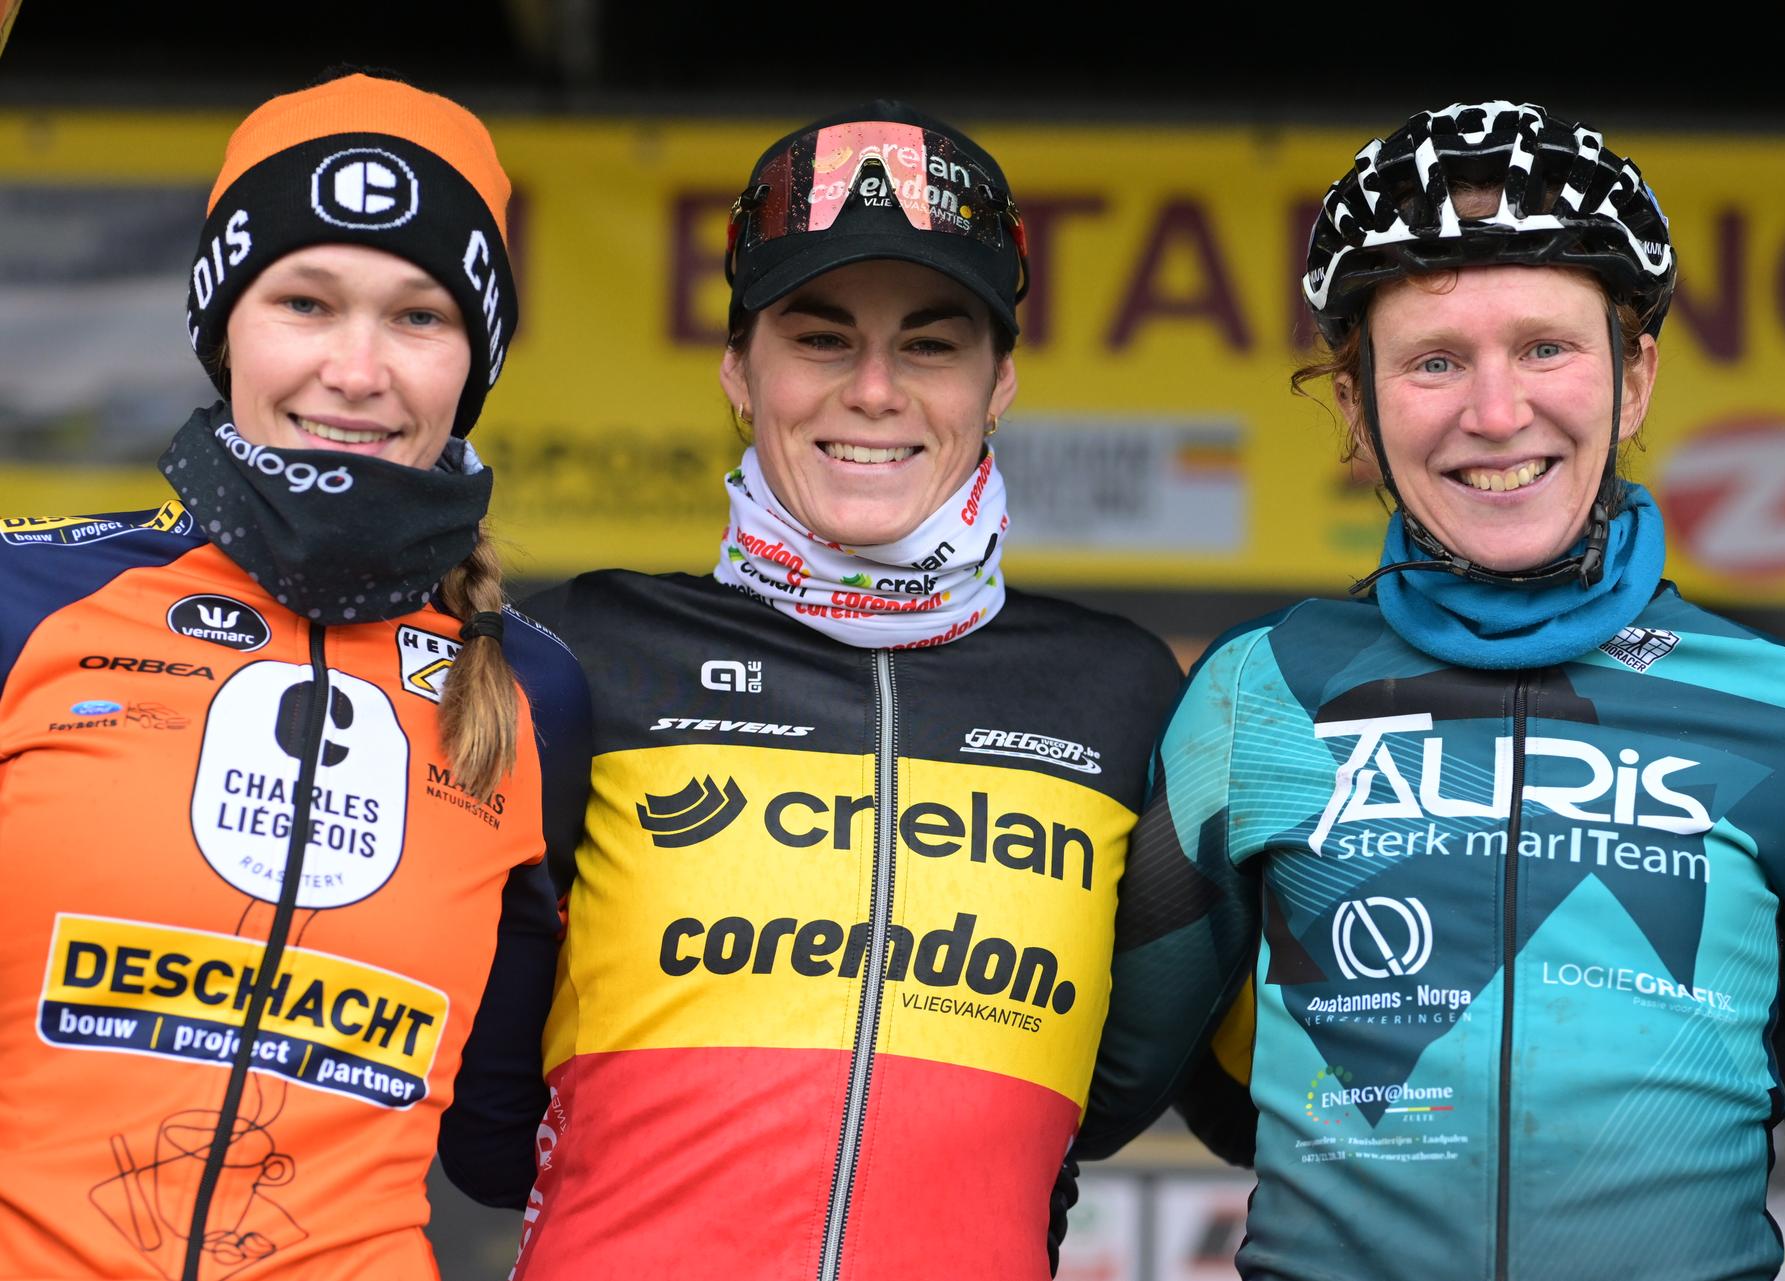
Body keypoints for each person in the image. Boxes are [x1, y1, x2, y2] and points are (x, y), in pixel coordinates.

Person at [1074, 100, 1785, 1281]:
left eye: (1545, 347)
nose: (1495, 413)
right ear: (1358, 408)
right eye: (1433, 361)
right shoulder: (1254, 695)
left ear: (1635, 377)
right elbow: (1089, 1102)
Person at [505, 102, 1183, 1279]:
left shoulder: (1117, 691)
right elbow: (477, 1087)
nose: (874, 390)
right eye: (820, 339)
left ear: (1001, 383)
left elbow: (1110, 1085)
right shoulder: (585, 649)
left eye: (931, 344)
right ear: (736, 369)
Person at [0, 71, 589, 1279]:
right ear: (227, 329)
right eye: (307, 303)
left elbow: (499, 1144)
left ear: (474, 362)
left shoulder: (539, 695)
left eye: (419, 317)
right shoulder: (24, 607)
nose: (357, 370)